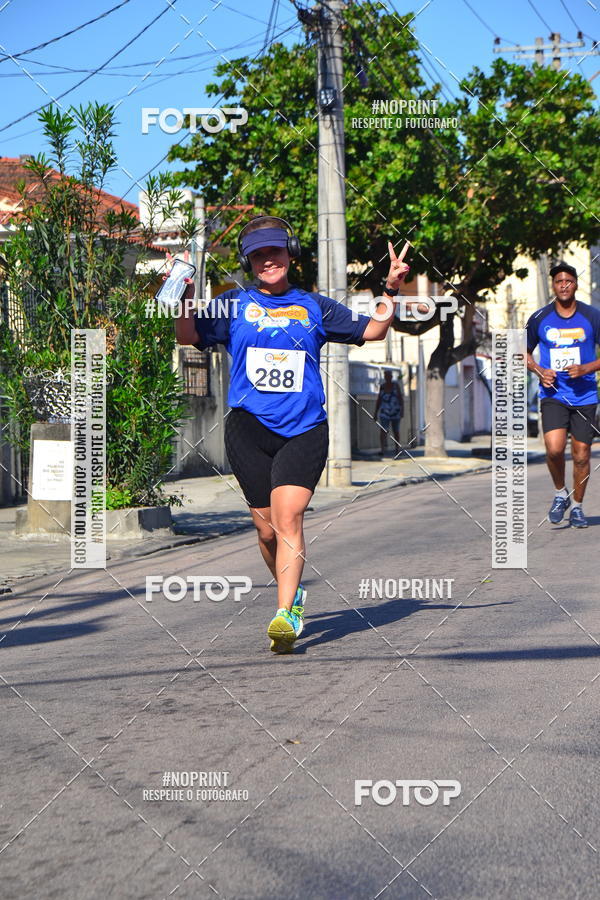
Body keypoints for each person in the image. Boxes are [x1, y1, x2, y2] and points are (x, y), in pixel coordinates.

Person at [175, 215, 410, 652]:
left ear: (291, 254)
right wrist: (185, 297)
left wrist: (391, 288)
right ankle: (294, 591)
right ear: (248, 262)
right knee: (266, 531)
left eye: (275, 252)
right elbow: (188, 335)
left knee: (289, 518)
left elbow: (374, 330)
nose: (268, 261)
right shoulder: (232, 304)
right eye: (258, 255)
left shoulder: (315, 306)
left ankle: (285, 614)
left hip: (303, 429)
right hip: (248, 429)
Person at [526, 262, 600, 528]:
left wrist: (586, 368)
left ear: (576, 284)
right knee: (555, 449)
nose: (564, 285)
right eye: (559, 282)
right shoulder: (539, 318)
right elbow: (521, 351)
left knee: (581, 455)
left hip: (585, 396)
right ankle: (560, 493)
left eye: (568, 281)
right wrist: (539, 370)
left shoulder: (592, 316)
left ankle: (577, 507)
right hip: (554, 394)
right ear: (553, 286)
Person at [374, 369, 404, 456]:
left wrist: (402, 410)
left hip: (395, 411)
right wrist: (375, 412)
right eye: (386, 376)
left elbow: (400, 398)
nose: (387, 378)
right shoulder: (382, 387)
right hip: (384, 412)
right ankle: (382, 449)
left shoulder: (396, 386)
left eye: (389, 376)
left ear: (391, 377)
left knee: (396, 430)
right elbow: (379, 399)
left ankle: (397, 449)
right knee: (383, 430)